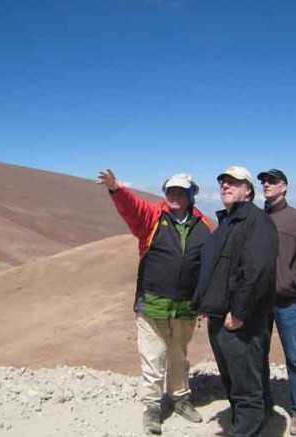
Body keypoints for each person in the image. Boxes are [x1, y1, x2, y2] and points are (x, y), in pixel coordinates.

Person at [97, 169, 214, 435]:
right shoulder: (152, 217)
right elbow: (132, 208)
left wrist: (206, 300)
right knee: (153, 359)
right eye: (171, 190)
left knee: (179, 357)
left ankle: (179, 398)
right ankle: (152, 406)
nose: (175, 195)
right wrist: (116, 189)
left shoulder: (203, 225)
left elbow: (208, 265)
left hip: (186, 307)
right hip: (152, 304)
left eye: (181, 191)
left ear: (191, 195)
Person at [193, 166, 278, 437]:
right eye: (223, 182)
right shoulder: (228, 223)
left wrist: (239, 312)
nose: (225, 186)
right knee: (232, 379)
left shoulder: (257, 221)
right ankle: (246, 424)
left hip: (241, 321)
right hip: (220, 317)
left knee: (246, 384)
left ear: (248, 190)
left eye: (233, 182)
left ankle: (246, 429)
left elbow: (258, 271)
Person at [257, 168, 296, 437]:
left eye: (272, 181)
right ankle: (264, 407)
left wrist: (295, 276)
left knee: (294, 357)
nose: (266, 184)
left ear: (284, 187)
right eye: (263, 181)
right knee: (258, 355)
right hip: (259, 302)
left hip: (287, 301)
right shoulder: (258, 217)